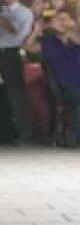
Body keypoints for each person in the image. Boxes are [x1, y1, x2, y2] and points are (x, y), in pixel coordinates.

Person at [0, 0, 35, 144]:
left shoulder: (24, 12)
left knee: (15, 94)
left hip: (10, 52)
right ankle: (1, 133)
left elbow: (19, 34)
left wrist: (1, 17)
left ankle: (25, 133)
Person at [32, 9, 80, 147]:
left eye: (64, 19)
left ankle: (71, 137)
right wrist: (36, 31)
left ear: (73, 21)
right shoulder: (49, 41)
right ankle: (72, 138)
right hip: (66, 85)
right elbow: (28, 47)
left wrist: (67, 30)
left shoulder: (75, 36)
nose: (61, 22)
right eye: (58, 19)